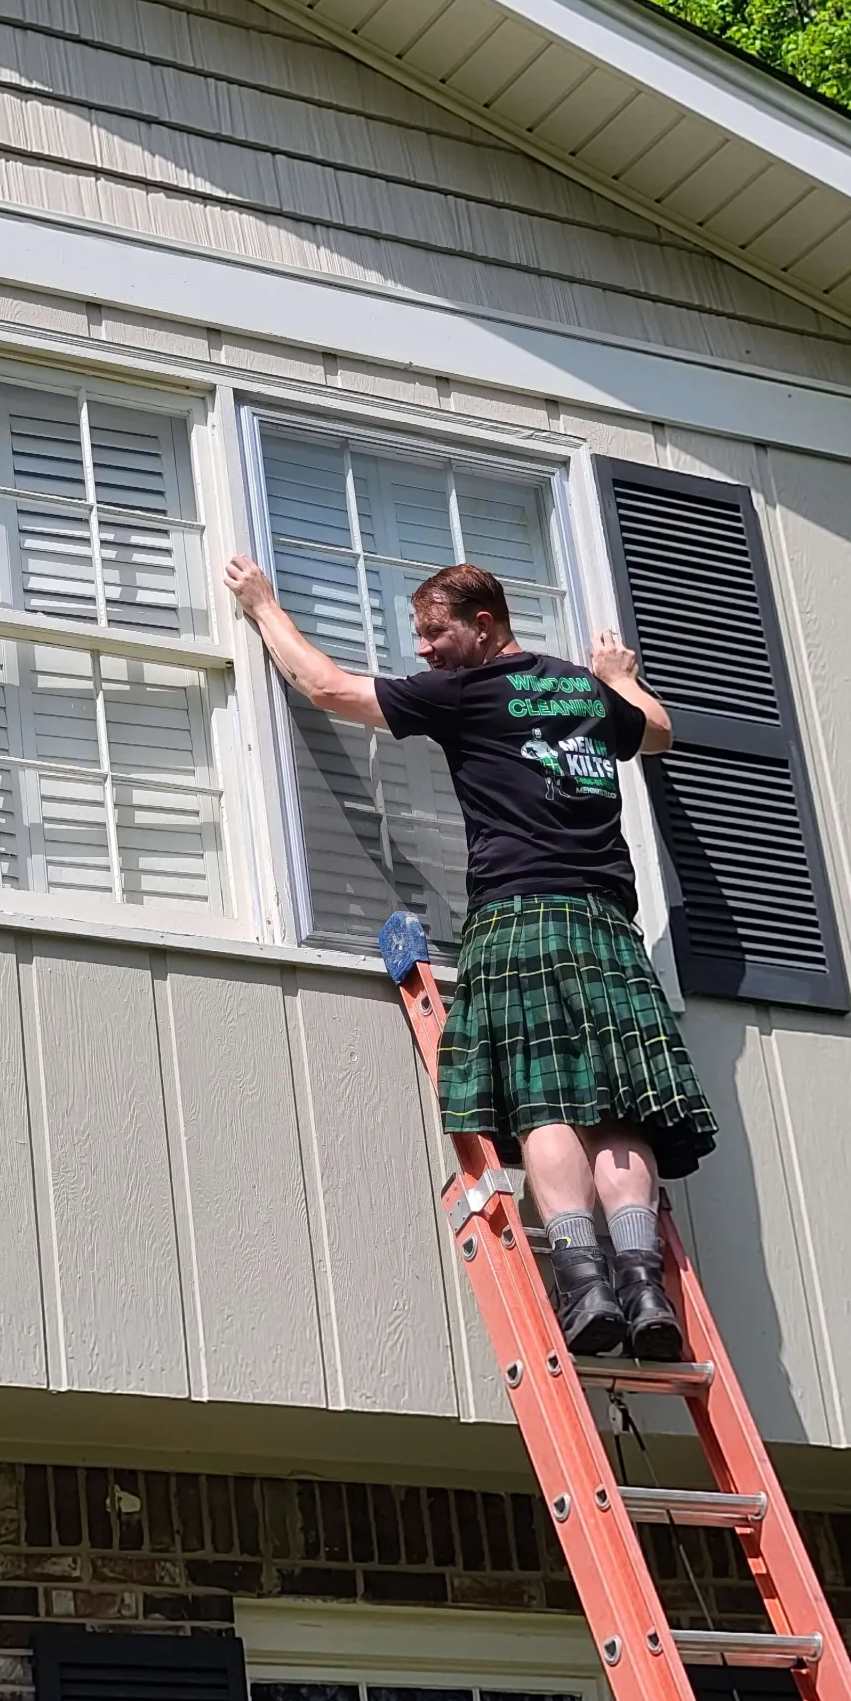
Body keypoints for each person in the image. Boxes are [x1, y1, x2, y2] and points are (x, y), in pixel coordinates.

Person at [224, 553, 717, 1361]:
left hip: (517, 913)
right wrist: (619, 674)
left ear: (482, 624)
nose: (423, 650)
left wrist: (265, 607)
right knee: (622, 1118)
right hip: (603, 921)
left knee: (545, 1105)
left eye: (434, 632)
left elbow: (329, 690)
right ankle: (645, 1288)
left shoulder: (470, 691)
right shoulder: (580, 689)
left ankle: (587, 1286)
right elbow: (656, 732)